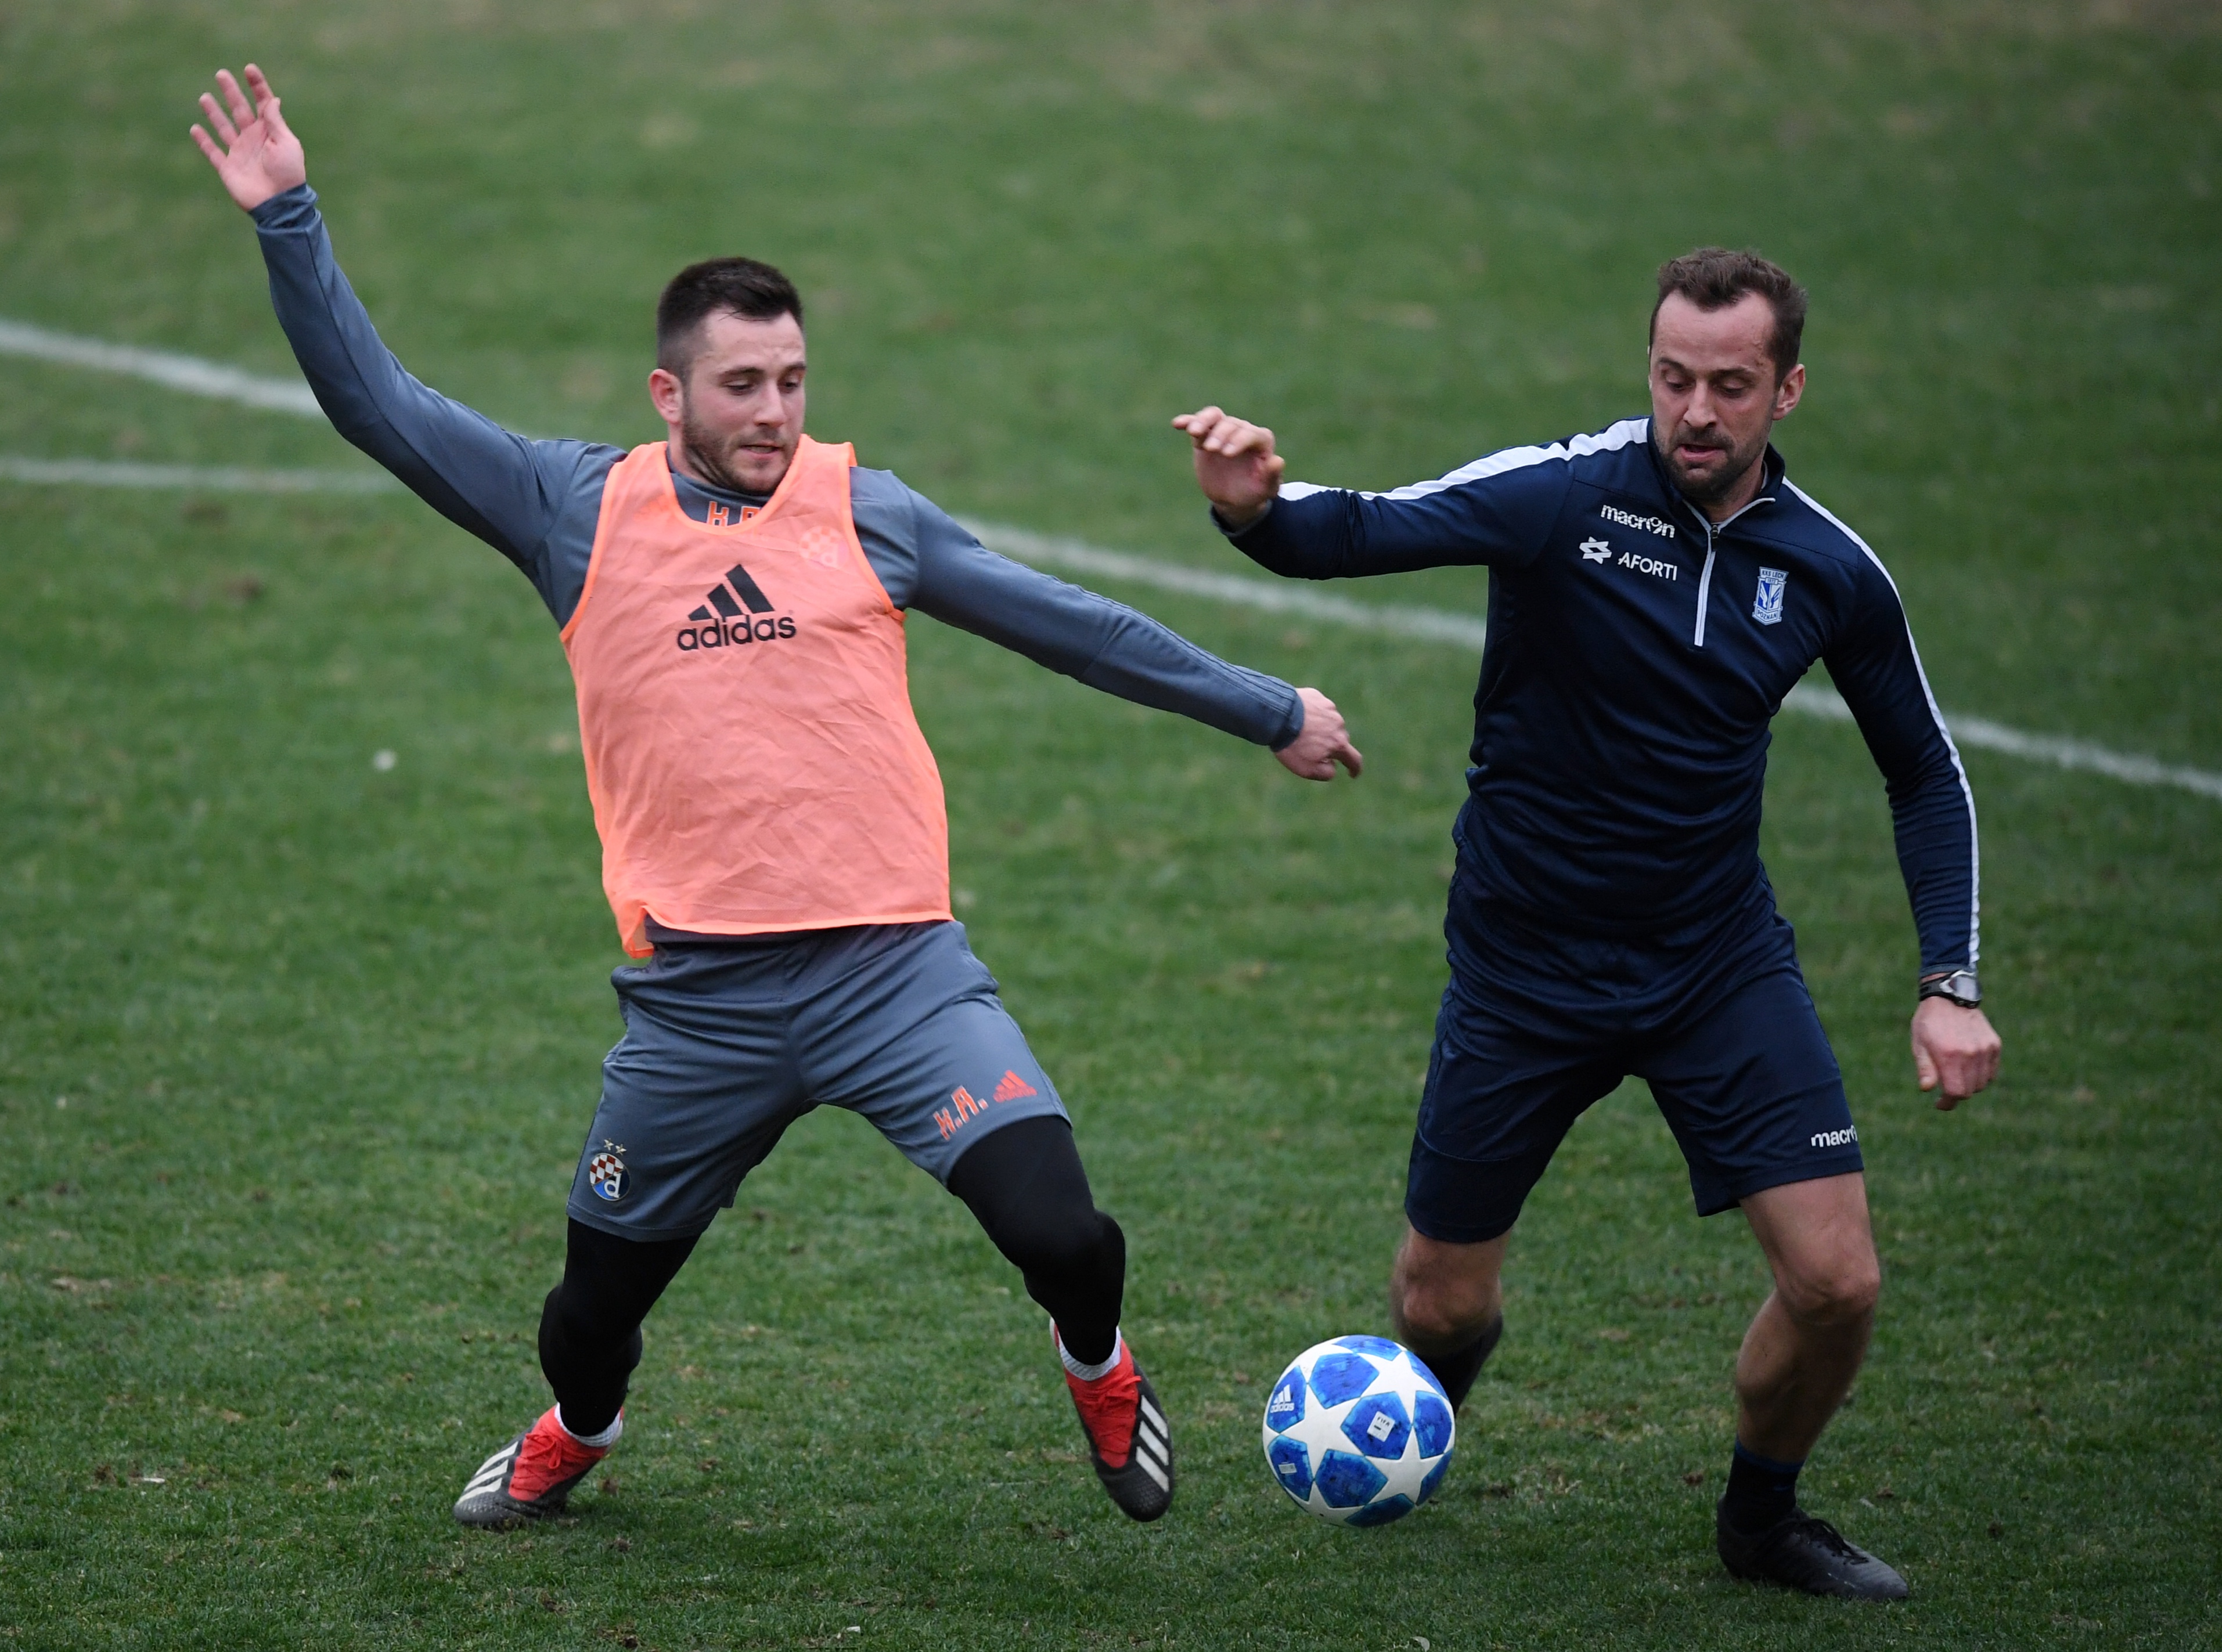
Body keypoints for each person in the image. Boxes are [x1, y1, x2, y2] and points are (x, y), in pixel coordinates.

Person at [192, 63, 1363, 1530]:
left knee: (1066, 1234)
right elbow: (378, 404)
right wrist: (287, 213)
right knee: (585, 1316)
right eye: (742, 386)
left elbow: (1071, 627)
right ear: (668, 393)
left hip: (895, 975)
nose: (774, 412)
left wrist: (1268, 709)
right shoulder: (573, 509)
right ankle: (582, 1429)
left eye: (793, 381)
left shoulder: (866, 509)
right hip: (698, 1008)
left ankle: (1100, 1368)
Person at [1175, 248, 2000, 1599]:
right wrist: (1253, 508)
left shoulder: (1827, 568)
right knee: (1436, 1300)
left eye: (1728, 385)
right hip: (1523, 971)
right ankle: (1419, 1419)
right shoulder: (1562, 493)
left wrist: (1945, 979)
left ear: (1786, 390)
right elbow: (1361, 528)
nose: (1694, 410)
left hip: (1711, 967)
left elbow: (1921, 768)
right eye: (1672, 377)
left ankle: (1760, 1519)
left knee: (1836, 1284)